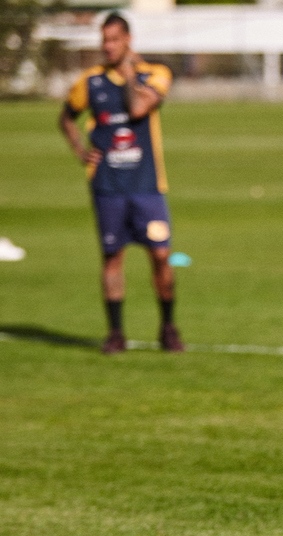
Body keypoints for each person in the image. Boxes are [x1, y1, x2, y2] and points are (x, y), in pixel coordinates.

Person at [57, 12, 183, 354]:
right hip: (108, 186)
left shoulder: (154, 74)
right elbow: (66, 117)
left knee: (161, 255)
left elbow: (140, 108)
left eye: (114, 40)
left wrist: (128, 75)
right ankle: (115, 333)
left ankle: (168, 327)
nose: (107, 47)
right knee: (112, 257)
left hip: (147, 185)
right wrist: (81, 151)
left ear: (128, 40)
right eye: (104, 40)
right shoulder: (90, 81)